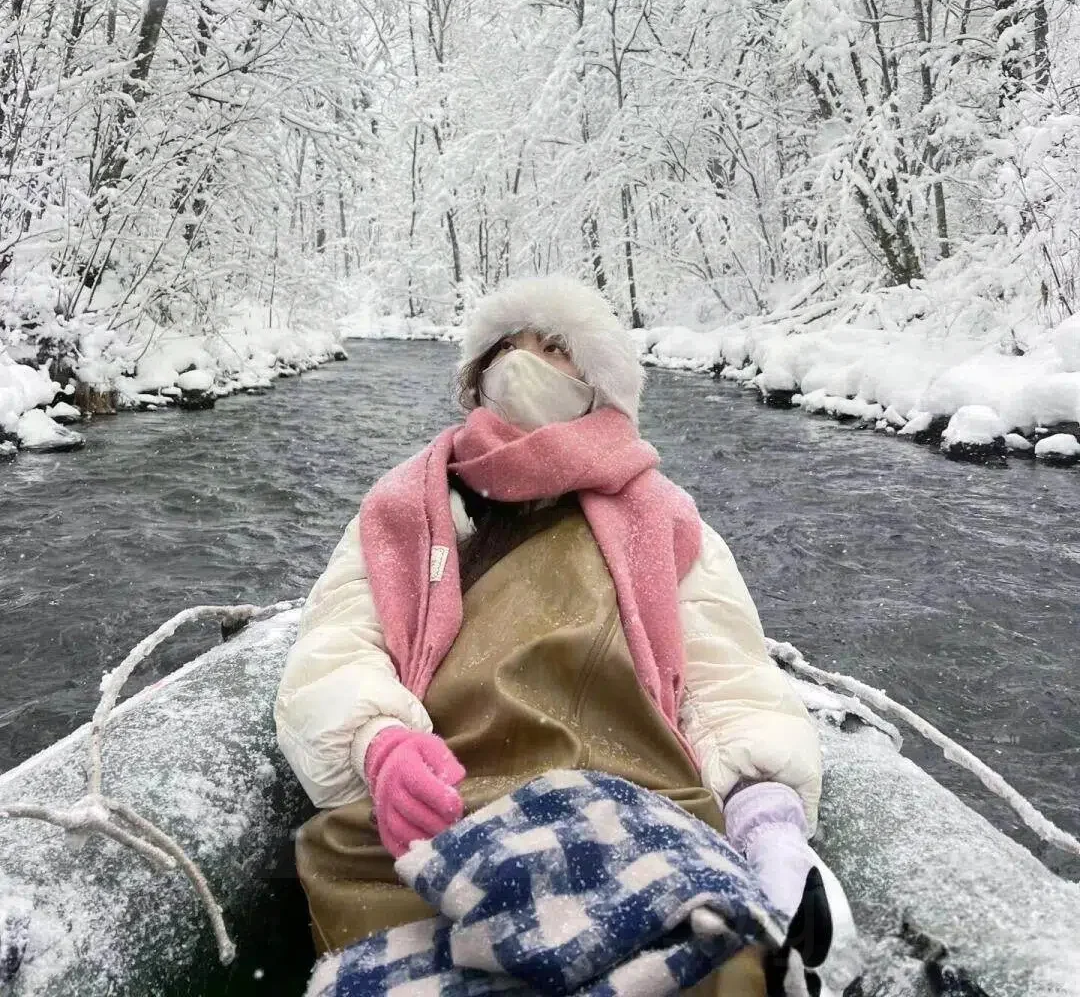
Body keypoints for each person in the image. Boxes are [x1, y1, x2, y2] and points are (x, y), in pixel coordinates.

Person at [275, 275, 828, 994]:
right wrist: (376, 742)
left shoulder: (666, 519)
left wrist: (766, 814)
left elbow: (727, 676)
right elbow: (336, 646)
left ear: (598, 382)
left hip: (642, 803)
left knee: (719, 965)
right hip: (446, 812)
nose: (522, 362)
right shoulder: (403, 509)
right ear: (475, 380)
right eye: (505, 347)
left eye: (553, 347)